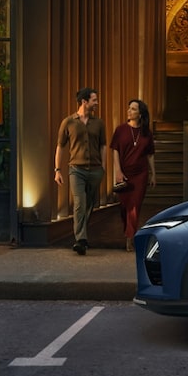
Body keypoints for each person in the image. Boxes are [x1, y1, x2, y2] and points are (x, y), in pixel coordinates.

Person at [55, 87, 106, 256]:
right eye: (94, 100)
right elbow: (60, 147)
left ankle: (82, 235)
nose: (97, 103)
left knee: (89, 204)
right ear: (84, 102)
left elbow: (103, 146)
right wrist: (57, 170)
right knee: (79, 203)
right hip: (76, 170)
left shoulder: (99, 123)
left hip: (95, 170)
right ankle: (81, 240)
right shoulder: (68, 122)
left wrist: (104, 167)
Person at [110, 98, 156, 252]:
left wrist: (153, 174)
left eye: (133, 109)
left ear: (140, 114)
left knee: (134, 206)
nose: (129, 111)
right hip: (124, 173)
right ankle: (128, 231)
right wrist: (117, 171)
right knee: (124, 207)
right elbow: (115, 151)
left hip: (140, 174)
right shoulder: (120, 130)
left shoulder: (146, 133)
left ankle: (131, 237)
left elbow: (150, 155)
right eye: (129, 108)